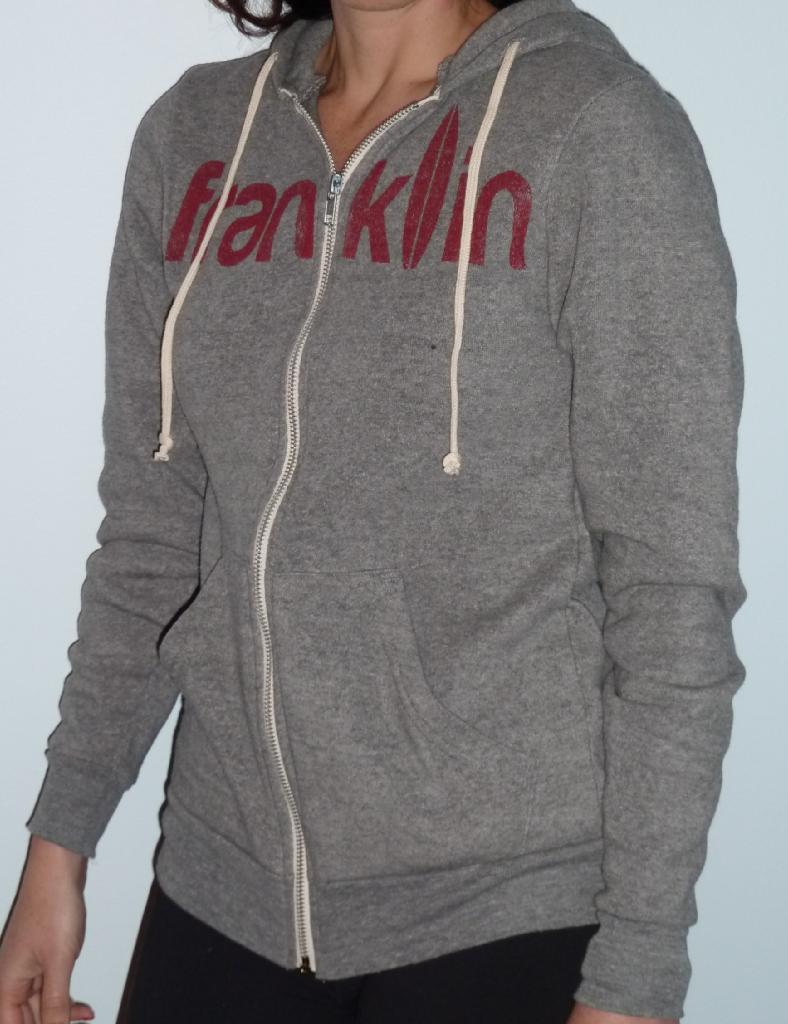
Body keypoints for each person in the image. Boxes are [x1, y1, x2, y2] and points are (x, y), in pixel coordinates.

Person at [0, 0, 748, 1020]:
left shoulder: (595, 127)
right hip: (222, 888)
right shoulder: (195, 136)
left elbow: (670, 585)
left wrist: (638, 974)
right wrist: (59, 846)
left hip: (503, 912)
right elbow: (151, 535)